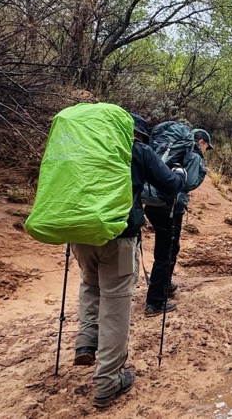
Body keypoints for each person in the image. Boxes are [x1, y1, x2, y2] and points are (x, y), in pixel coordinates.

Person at [70, 113, 185, 408]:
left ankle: (85, 340)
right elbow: (169, 184)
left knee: (89, 284)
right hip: (119, 237)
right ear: (139, 134)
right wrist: (181, 174)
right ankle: (108, 381)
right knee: (115, 303)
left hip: (80, 231)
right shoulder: (135, 149)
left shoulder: (85, 145)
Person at [143, 127, 213, 316]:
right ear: (201, 143)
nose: (206, 150)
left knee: (168, 248)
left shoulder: (165, 148)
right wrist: (202, 172)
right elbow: (189, 183)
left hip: (151, 203)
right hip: (171, 207)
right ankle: (155, 302)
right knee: (166, 252)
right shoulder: (193, 155)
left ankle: (164, 285)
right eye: (207, 146)